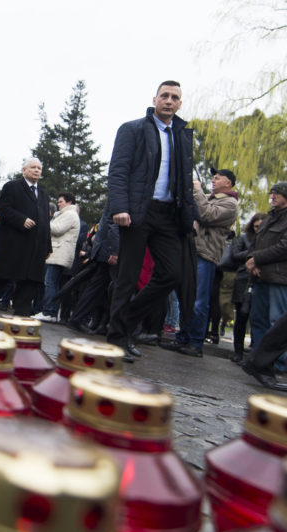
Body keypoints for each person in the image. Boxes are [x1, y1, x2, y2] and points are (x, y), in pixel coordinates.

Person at [105, 80, 198, 362]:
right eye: (165, 96)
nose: (169, 101)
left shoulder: (182, 135)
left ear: (180, 104)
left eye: (175, 97)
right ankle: (117, 339)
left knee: (172, 273)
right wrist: (120, 207)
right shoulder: (132, 129)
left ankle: (125, 321)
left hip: (169, 215)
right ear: (155, 99)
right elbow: (118, 171)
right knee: (128, 277)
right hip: (137, 211)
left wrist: (191, 216)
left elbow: (185, 180)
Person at [159, 169, 239, 356]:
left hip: (206, 255)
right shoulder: (211, 198)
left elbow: (206, 215)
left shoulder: (230, 203)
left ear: (228, 183)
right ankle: (182, 338)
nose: (213, 179)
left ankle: (195, 343)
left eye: (218, 177)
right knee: (185, 297)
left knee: (198, 301)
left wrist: (197, 191)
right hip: (192, 251)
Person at [0, 158, 52, 316]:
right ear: (24, 170)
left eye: (39, 168)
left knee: (29, 283)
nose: (37, 170)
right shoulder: (12, 187)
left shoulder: (43, 194)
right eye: (33, 167)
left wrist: (48, 246)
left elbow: (45, 222)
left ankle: (20, 318)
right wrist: (21, 220)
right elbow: (4, 208)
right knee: (0, 278)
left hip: (35, 248)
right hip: (15, 244)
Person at [245, 181, 287, 356]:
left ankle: (278, 362)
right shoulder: (269, 218)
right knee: (258, 320)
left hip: (279, 277)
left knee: (276, 322)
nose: (272, 196)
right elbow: (255, 243)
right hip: (260, 276)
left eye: (277, 193)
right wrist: (251, 260)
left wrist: (256, 259)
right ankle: (257, 359)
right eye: (271, 193)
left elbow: (284, 247)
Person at [35, 192, 80, 322]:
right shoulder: (67, 214)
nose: (59, 204)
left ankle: (49, 312)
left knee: (50, 282)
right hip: (58, 253)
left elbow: (57, 229)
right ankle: (50, 311)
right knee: (52, 282)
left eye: (61, 201)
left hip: (60, 253)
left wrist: (44, 220)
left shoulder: (69, 214)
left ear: (69, 202)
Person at [228, 213, 266, 361]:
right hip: (243, 278)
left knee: (257, 316)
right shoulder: (245, 237)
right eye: (256, 226)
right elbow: (234, 255)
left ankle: (254, 350)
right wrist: (252, 254)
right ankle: (238, 351)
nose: (259, 229)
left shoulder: (267, 239)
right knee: (242, 315)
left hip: (259, 279)